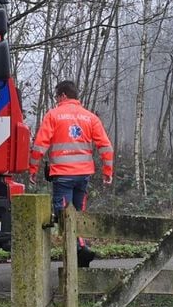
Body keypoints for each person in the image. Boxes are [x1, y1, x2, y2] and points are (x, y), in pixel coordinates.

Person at [28, 80, 114, 267]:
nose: (56, 100)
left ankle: (79, 250)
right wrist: (108, 171)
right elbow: (106, 146)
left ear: (63, 95)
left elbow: (39, 146)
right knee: (78, 213)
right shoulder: (90, 117)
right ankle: (80, 252)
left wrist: (33, 169)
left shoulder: (53, 115)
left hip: (63, 175)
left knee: (64, 215)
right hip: (83, 176)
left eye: (57, 96)